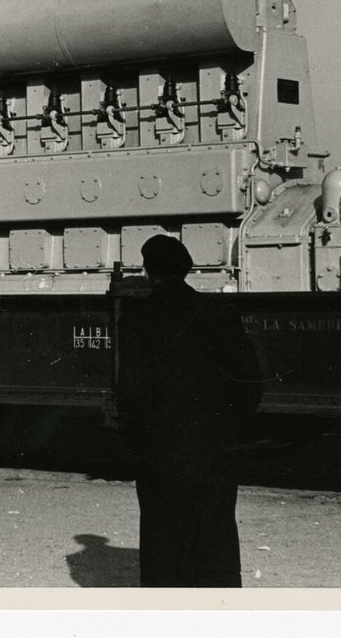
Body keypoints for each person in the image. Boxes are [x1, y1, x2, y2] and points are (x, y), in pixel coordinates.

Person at [116, 234, 263, 588]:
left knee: (163, 537)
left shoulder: (137, 319)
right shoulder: (218, 312)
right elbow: (249, 383)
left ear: (149, 271)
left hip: (161, 451)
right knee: (214, 538)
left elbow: (130, 393)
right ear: (185, 268)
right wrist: (227, 428)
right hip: (214, 448)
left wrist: (139, 443)